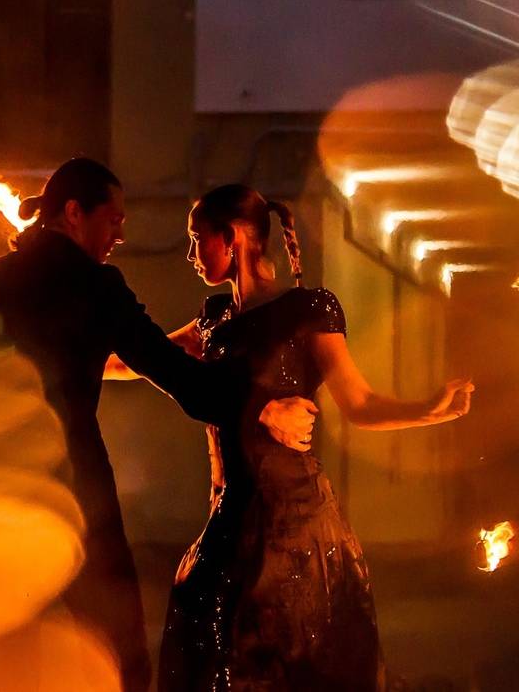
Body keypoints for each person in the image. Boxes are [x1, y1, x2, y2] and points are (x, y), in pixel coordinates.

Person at [0, 159, 317, 692]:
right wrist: (259, 406)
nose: (121, 234)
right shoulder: (97, 287)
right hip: (75, 491)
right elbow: (181, 378)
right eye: (113, 220)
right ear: (73, 213)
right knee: (117, 650)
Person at [109, 184, 472, 691]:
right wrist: (68, 348)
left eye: (197, 238)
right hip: (232, 512)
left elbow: (359, 403)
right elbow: (136, 361)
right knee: (210, 639)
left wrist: (428, 409)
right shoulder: (214, 319)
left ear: (231, 238)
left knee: (288, 653)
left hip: (294, 518)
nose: (190, 253)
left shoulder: (307, 310)